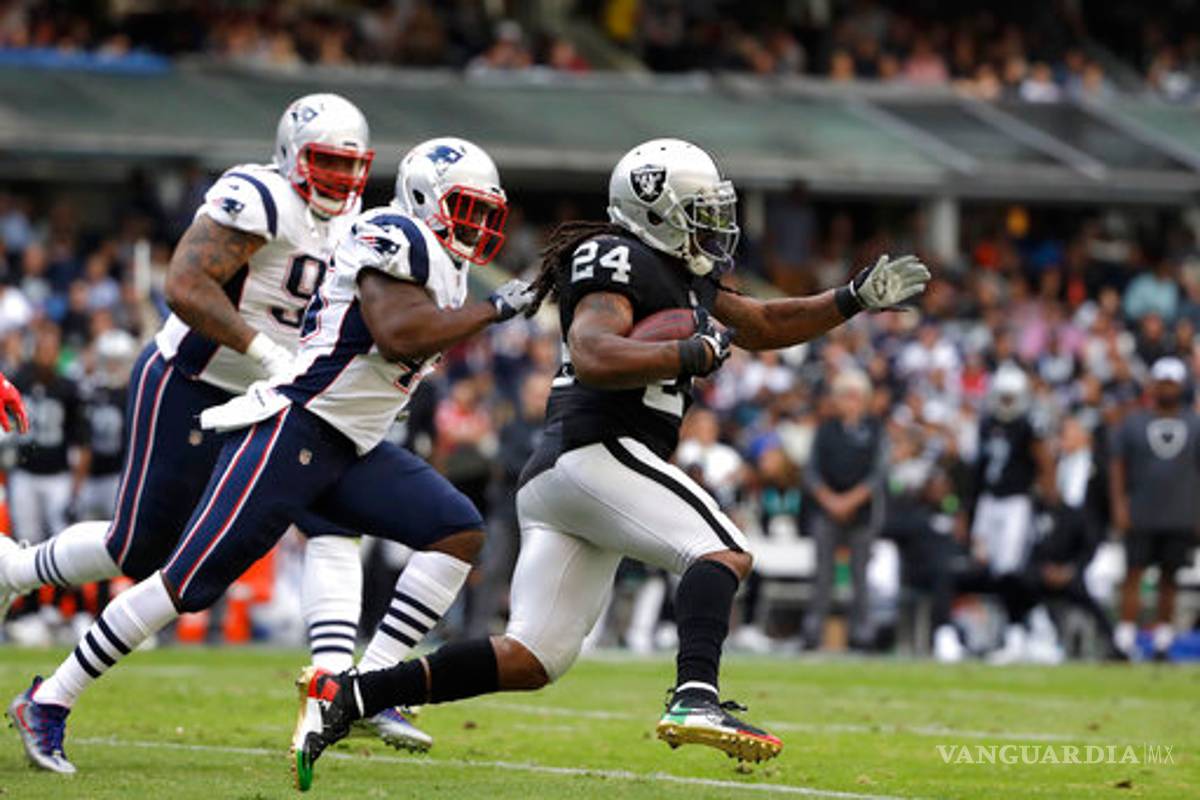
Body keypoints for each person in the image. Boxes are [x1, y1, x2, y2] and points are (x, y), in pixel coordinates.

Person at [290, 138, 930, 787]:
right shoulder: (617, 257)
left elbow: (761, 323)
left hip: (570, 474)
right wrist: (684, 356)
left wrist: (851, 297)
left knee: (532, 657)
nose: (713, 223)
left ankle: (353, 696)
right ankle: (696, 698)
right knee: (722, 550)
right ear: (654, 210)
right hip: (595, 450)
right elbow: (594, 352)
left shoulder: (680, 274)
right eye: (697, 209)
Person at [6, 137, 535, 778]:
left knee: (455, 528)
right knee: (184, 583)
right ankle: (49, 698)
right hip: (298, 429)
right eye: (465, 208)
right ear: (425, 196)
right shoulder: (392, 233)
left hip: (352, 444)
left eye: (485, 213)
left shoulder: (443, 261)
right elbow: (399, 334)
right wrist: (495, 308)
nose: (476, 226)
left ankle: (367, 688)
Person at [1110, 356, 1200, 660]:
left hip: (1180, 513)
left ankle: (1162, 640)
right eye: (1162, 382)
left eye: (1172, 382)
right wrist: (1120, 505)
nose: (1167, 388)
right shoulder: (1134, 422)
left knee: (1169, 578)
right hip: (1142, 511)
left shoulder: (1195, 423)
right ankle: (1124, 638)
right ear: (1153, 384)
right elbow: (1117, 466)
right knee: (1133, 574)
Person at [970, 364, 1057, 662]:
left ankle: (1018, 632)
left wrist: (1046, 504)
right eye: (1003, 398)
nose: (1006, 404)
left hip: (1017, 502)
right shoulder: (986, 423)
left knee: (1009, 568)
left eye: (1011, 398)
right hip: (990, 501)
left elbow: (1044, 464)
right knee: (994, 570)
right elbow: (979, 469)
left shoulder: (1029, 425)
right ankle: (1027, 625)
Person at [803, 368, 885, 650]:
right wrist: (830, 500)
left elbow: (878, 473)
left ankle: (864, 634)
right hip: (827, 509)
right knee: (822, 573)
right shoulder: (825, 430)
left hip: (862, 511)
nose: (849, 402)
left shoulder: (875, 430)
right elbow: (811, 471)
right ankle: (813, 632)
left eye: (854, 396)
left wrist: (851, 500)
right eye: (844, 396)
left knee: (860, 574)